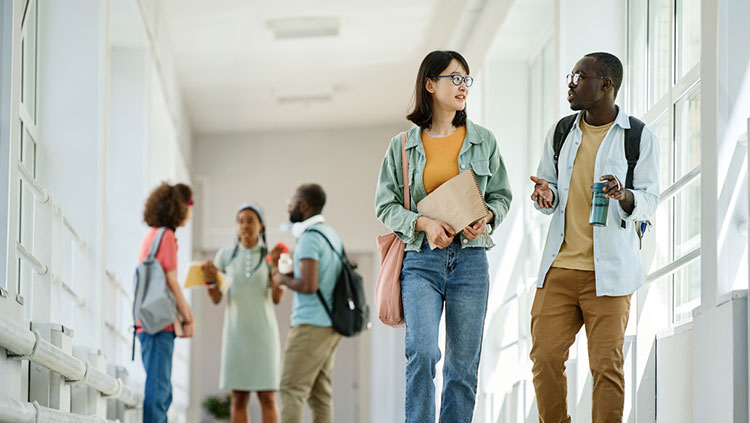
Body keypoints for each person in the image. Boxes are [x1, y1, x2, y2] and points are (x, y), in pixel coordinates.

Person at [374, 50, 513, 422]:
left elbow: (501, 196)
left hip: (471, 262)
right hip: (421, 262)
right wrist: (424, 224)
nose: (462, 85)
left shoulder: (484, 140)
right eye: (454, 77)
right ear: (430, 85)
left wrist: (486, 216)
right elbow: (385, 205)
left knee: (462, 368)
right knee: (421, 354)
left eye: (466, 79)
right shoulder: (401, 146)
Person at [529, 52, 659, 422]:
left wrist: (624, 194)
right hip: (559, 267)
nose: (570, 82)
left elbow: (650, 198)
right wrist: (545, 195)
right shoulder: (561, 132)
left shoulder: (637, 136)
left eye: (579, 76)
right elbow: (549, 188)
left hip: (611, 273)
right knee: (545, 358)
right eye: (571, 75)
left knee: (606, 367)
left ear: (606, 84)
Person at [202, 203, 284, 423]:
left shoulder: (270, 255)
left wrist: (277, 267)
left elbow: (277, 298)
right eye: (240, 221)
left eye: (250, 221)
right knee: (238, 398)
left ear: (261, 226)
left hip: (264, 335)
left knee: (268, 396)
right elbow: (216, 298)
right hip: (236, 335)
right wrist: (210, 279)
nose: (245, 226)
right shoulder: (225, 256)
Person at [275, 183, 344, 423]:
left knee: (290, 388)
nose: (289, 206)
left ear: (303, 205)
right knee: (319, 394)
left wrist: (282, 278)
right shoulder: (331, 235)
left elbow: (309, 285)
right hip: (330, 324)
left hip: (310, 324)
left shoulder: (309, 238)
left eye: (291, 202)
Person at [137, 182, 195, 423]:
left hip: (147, 322)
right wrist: (188, 317)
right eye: (190, 206)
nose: (191, 212)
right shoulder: (167, 236)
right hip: (159, 326)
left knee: (160, 389)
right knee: (159, 394)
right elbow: (171, 281)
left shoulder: (152, 235)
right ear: (180, 207)